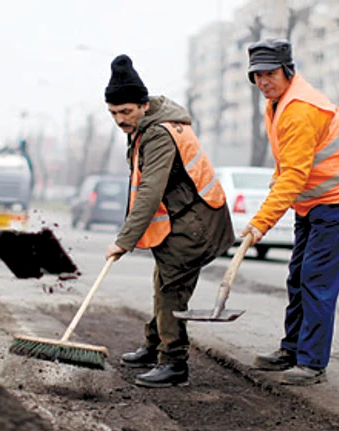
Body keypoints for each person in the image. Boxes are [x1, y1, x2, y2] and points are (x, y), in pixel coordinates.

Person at [241, 39, 339, 386]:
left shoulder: (300, 109)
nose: (263, 81)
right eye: (257, 75)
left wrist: (260, 223)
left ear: (287, 71)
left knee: (316, 278)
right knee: (297, 273)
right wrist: (274, 190)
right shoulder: (277, 104)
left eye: (270, 73)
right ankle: (292, 348)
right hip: (314, 199)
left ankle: (312, 362)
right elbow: (287, 166)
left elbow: (295, 175)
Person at [103, 54, 235, 388]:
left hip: (196, 223)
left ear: (144, 105)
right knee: (163, 282)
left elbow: (150, 189)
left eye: (125, 112)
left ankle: (174, 363)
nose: (119, 120)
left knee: (171, 289)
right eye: (113, 113)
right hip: (182, 219)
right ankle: (154, 344)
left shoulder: (159, 134)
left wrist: (124, 239)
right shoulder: (143, 128)